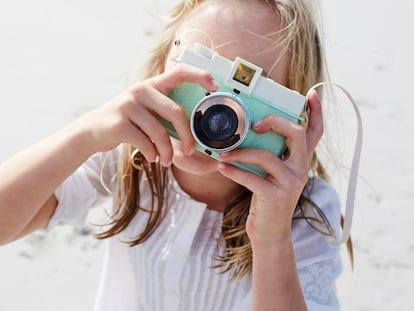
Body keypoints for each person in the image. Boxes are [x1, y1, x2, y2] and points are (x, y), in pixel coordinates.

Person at [0, 0, 347, 310]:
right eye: (202, 70)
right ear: (161, 67)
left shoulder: (305, 214)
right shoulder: (133, 157)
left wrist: (273, 238)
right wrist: (85, 134)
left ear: (295, 114)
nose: (215, 110)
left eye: (248, 91)